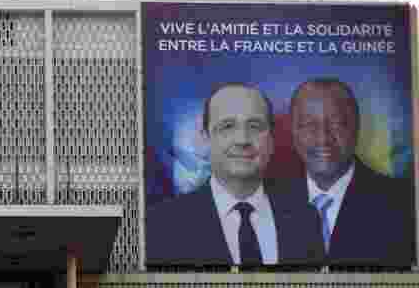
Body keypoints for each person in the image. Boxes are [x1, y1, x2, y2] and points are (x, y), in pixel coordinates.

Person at [147, 83, 324, 267]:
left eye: (255, 126)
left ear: (271, 140)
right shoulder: (160, 225)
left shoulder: (306, 219)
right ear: (206, 138)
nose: (242, 140)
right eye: (227, 126)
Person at [280, 78, 414, 266]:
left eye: (337, 123)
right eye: (309, 125)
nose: (323, 138)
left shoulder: (404, 201)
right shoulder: (271, 200)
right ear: (293, 131)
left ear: (357, 127)